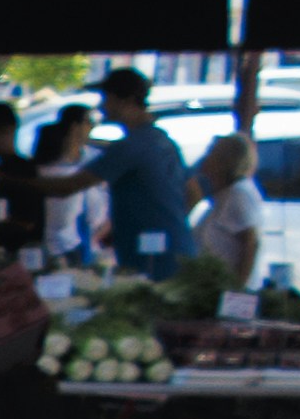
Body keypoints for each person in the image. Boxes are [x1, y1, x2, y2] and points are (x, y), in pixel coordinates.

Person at [37, 64, 193, 276]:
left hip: (153, 262)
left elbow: (68, 187)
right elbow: (192, 191)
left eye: (107, 98)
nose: (103, 106)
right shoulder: (160, 141)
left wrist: (7, 180)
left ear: (126, 101)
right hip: (168, 252)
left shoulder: (133, 146)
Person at [190, 132, 267, 288]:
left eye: (212, 153)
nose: (206, 159)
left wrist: (237, 289)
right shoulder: (222, 196)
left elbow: (251, 243)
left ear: (224, 162)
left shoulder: (238, 195)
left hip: (229, 292)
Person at [31, 109, 102, 266]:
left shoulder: (93, 157)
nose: (91, 128)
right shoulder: (56, 171)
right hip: (64, 245)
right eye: (88, 123)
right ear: (74, 128)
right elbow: (64, 215)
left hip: (83, 242)